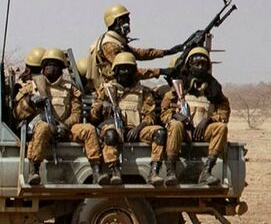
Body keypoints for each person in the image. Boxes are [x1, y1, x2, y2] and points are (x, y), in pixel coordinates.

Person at [12, 48, 108, 186]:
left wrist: (65, 126)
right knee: (42, 128)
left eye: (56, 65)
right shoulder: (31, 87)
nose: (52, 68)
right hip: (43, 128)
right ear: (43, 68)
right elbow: (17, 114)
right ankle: (34, 170)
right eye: (48, 64)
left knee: (88, 129)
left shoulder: (70, 88)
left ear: (62, 69)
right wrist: (29, 101)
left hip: (66, 128)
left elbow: (77, 113)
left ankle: (96, 170)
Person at [91, 53, 169, 186]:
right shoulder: (106, 90)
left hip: (137, 130)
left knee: (160, 133)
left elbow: (150, 115)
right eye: (122, 68)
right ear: (116, 71)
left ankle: (154, 171)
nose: (125, 72)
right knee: (110, 135)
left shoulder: (143, 91)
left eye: (128, 69)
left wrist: (138, 128)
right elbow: (94, 115)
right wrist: (102, 106)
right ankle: (115, 171)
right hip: (114, 128)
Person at [161, 47, 232, 185]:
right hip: (182, 133)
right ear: (190, 65)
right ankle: (171, 171)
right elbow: (164, 112)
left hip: (202, 132)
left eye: (203, 65)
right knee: (175, 125)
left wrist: (208, 120)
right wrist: (176, 116)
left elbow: (224, 112)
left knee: (221, 127)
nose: (200, 67)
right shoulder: (179, 88)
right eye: (197, 64)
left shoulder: (214, 89)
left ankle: (206, 171)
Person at [89, 4, 188, 83]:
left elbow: (139, 53)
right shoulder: (110, 45)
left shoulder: (117, 42)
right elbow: (127, 71)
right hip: (113, 86)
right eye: (123, 20)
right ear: (114, 22)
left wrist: (167, 52)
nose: (128, 23)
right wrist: (160, 71)